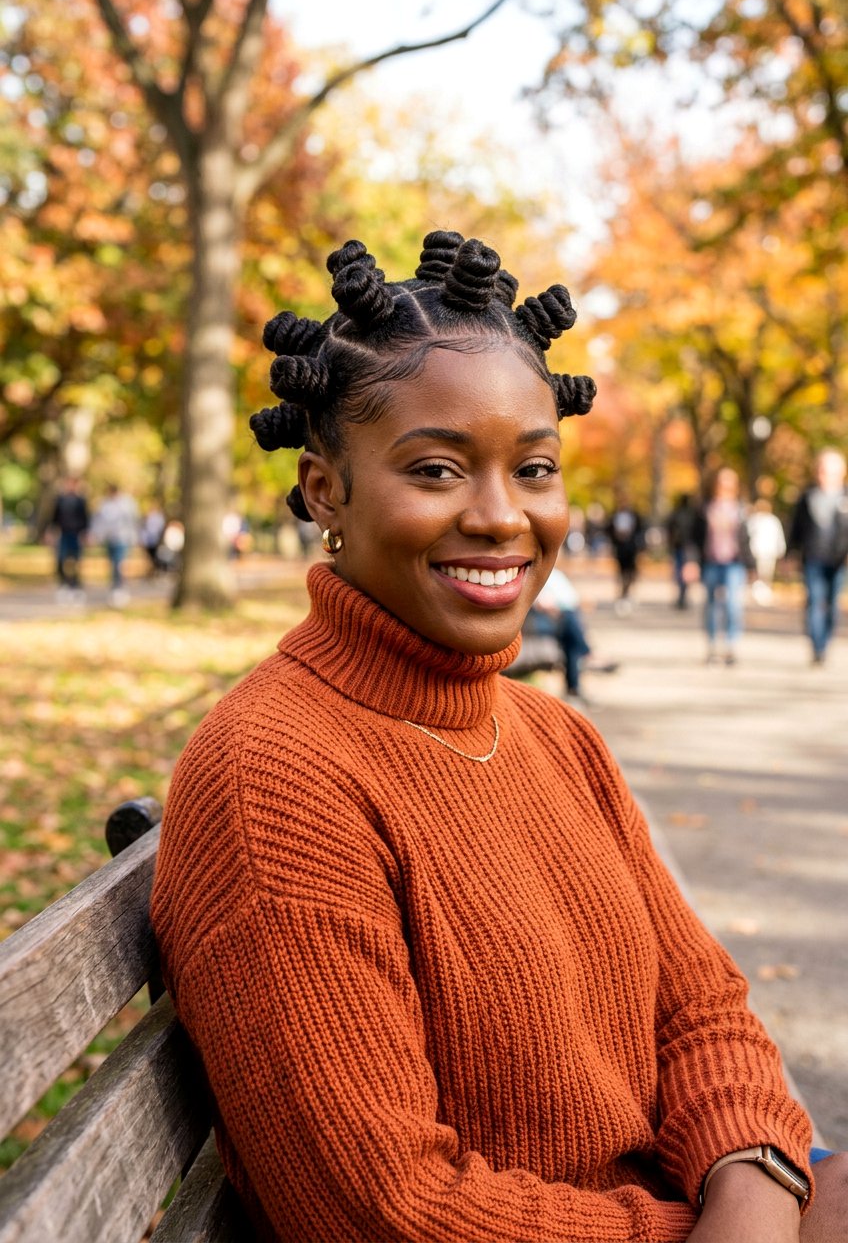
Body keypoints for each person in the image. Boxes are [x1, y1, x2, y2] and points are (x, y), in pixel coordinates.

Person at [151, 232, 843, 1242]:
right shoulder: (274, 777)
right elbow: (385, 1211)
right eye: (435, 469)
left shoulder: (553, 735)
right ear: (322, 490)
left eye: (532, 467)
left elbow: (699, 1005)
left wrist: (752, 1171)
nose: (499, 515)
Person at [788, 448, 848, 664]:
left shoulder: (845, 497)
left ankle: (826, 638)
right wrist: (791, 553)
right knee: (814, 601)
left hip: (839, 559)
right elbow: (796, 527)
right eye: (822, 470)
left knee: (832, 603)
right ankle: (817, 645)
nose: (825, 475)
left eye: (830, 471)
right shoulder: (807, 496)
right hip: (813, 557)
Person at [530, 563, 618, 700]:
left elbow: (571, 599)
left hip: (565, 617)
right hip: (545, 620)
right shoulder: (535, 575)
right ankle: (589, 654)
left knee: (572, 645)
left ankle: (574, 689)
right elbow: (540, 603)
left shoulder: (555, 574)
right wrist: (553, 610)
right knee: (570, 624)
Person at [693, 467, 753, 665]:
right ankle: (711, 645)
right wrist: (691, 561)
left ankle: (730, 645)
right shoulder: (705, 508)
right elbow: (695, 538)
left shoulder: (741, 508)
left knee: (733, 605)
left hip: (734, 563)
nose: (725, 485)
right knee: (711, 605)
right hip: (711, 561)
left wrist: (751, 565)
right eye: (722, 481)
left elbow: (746, 539)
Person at [91, 484, 139, 606]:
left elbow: (133, 521)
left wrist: (134, 537)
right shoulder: (105, 504)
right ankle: (114, 587)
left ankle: (120, 588)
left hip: (122, 538)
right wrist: (97, 536)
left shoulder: (127, 504)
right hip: (109, 539)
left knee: (119, 563)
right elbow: (99, 521)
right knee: (113, 564)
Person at [50, 476, 89, 601]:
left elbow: (85, 519)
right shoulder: (60, 500)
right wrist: (51, 531)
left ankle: (76, 585)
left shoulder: (80, 501)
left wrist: (85, 534)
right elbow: (54, 517)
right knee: (61, 560)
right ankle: (63, 585)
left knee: (76, 561)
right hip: (64, 534)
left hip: (76, 534)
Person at [606, 492, 644, 612]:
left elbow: (640, 531)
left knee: (631, 572)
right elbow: (609, 530)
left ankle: (627, 592)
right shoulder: (615, 516)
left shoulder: (635, 516)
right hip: (620, 547)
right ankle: (622, 593)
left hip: (631, 547)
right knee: (621, 572)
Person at [746, 498, 787, 606]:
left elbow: (778, 536)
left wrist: (781, 549)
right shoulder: (754, 520)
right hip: (756, 551)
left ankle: (764, 592)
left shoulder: (773, 520)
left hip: (769, 551)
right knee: (757, 573)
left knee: (766, 574)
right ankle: (757, 592)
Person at [666, 492, 700, 610]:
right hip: (687, 546)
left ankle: (682, 595)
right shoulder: (692, 514)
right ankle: (683, 595)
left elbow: (669, 529)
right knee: (685, 572)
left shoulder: (677, 514)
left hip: (681, 546)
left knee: (680, 571)